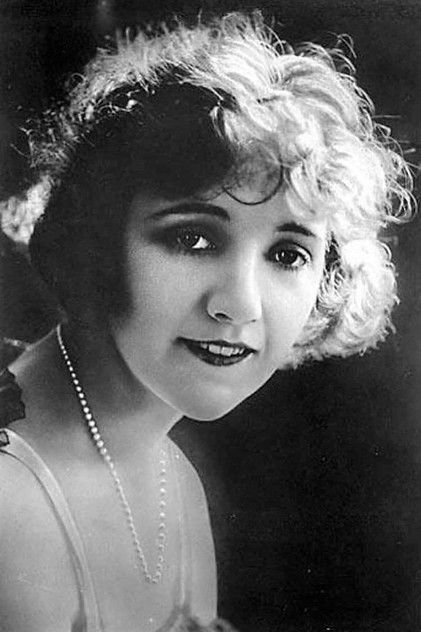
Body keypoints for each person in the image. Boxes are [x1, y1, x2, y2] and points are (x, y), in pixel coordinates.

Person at [0, 10, 413, 632]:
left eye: (287, 255)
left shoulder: (174, 481)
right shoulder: (13, 501)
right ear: (96, 242)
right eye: (192, 238)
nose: (240, 305)